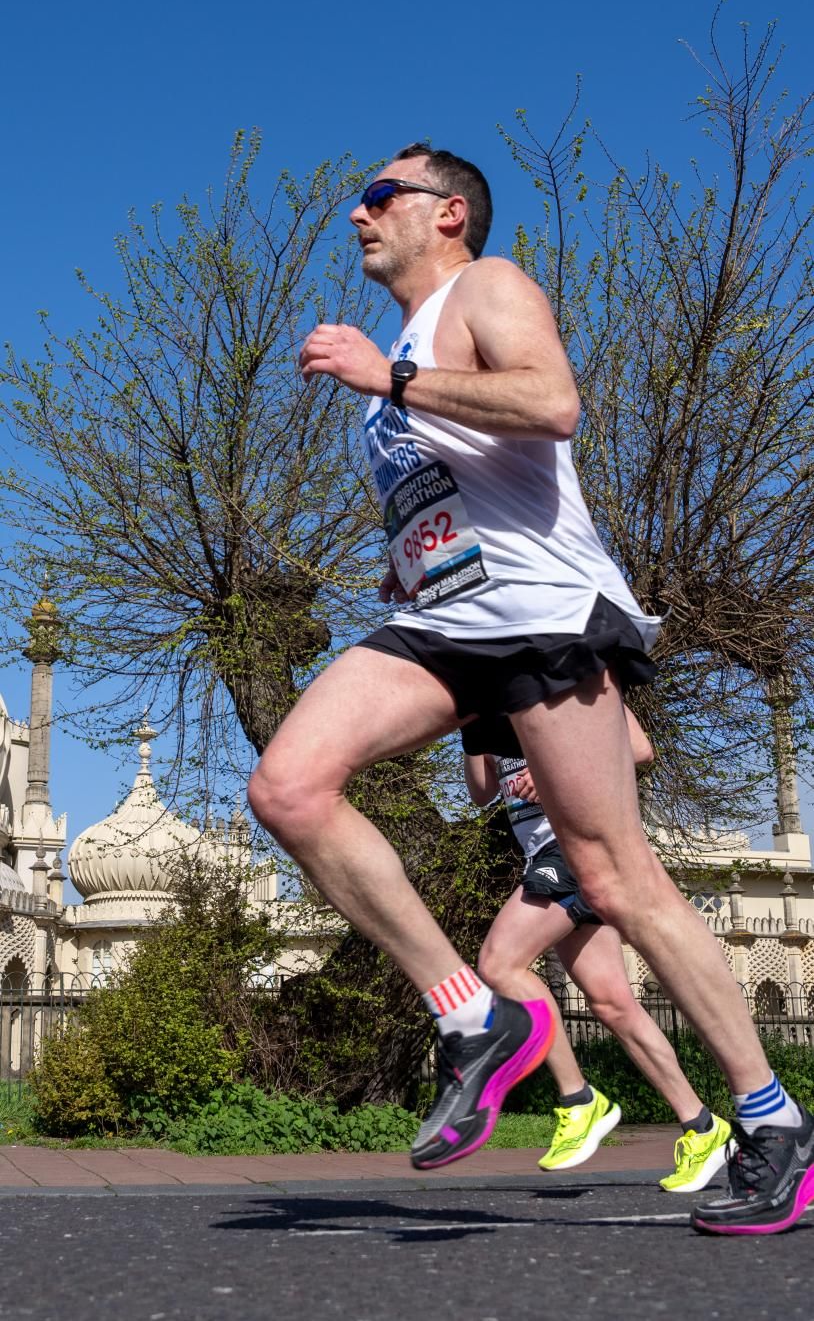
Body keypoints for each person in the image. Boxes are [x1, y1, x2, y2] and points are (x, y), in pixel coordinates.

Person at [247, 144, 814, 1233]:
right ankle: (472, 1018)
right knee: (289, 788)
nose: (356, 215)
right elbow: (460, 482)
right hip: (440, 623)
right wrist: (409, 548)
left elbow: (552, 404)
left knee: (616, 875)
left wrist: (392, 378)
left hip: (541, 619)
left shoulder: (486, 288)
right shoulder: (399, 351)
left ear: (447, 213)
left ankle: (770, 1121)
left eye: (380, 197)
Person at [464, 711, 730, 1190]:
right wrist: (469, 729)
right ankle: (704, 1129)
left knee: (500, 964)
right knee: (614, 1006)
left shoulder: (567, 674)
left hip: (574, 849)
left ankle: (578, 1099)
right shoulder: (489, 705)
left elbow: (640, 749)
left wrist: (551, 777)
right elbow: (482, 792)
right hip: (544, 855)